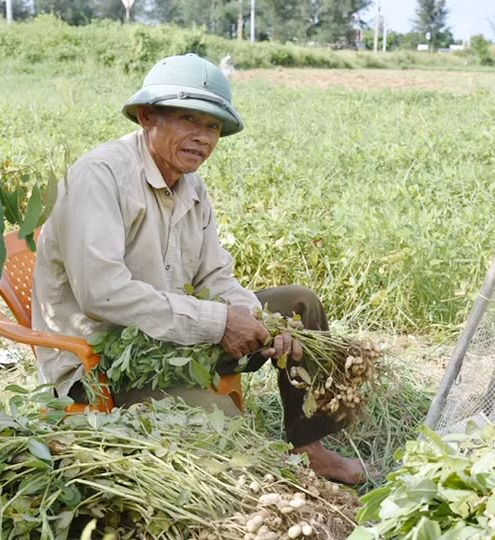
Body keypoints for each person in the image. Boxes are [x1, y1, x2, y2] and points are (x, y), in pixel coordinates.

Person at [32, 54, 365, 484]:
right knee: (225, 431)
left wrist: (265, 323)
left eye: (212, 126)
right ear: (147, 116)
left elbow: (214, 276)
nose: (202, 138)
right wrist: (217, 322)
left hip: (176, 332)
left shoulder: (190, 185)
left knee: (299, 305)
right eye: (188, 119)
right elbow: (103, 293)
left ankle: (310, 447)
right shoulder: (102, 177)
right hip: (107, 358)